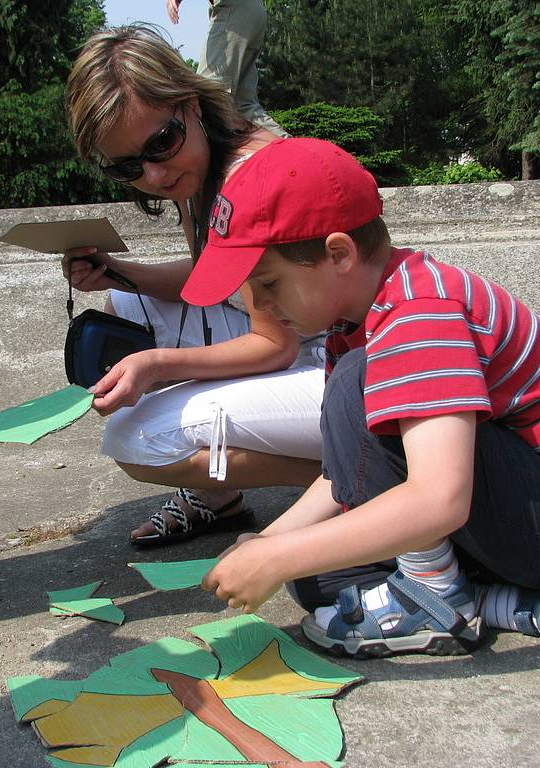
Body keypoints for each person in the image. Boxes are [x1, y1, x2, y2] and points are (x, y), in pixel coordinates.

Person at [179, 137, 540, 658]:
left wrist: (278, 558)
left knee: (353, 384)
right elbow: (349, 473)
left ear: (338, 253)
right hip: (509, 515)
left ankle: (439, 597)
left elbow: (440, 498)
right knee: (316, 579)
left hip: (523, 510)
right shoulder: (359, 322)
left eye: (270, 283)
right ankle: (493, 599)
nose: (256, 304)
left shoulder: (419, 312)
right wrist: (269, 544)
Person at [63, 24, 324, 546]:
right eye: (127, 167)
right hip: (297, 343)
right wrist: (120, 271)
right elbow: (214, 278)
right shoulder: (200, 169)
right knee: (123, 305)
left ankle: (362, 480)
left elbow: (275, 344)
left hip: (340, 362)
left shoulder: (250, 176)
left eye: (162, 143)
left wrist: (157, 365)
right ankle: (219, 495)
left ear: (190, 103)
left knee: (135, 439)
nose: (154, 176)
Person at [165, 0, 287, 137]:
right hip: (250, 10)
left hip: (232, 10)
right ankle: (295, 151)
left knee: (206, 100)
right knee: (243, 108)